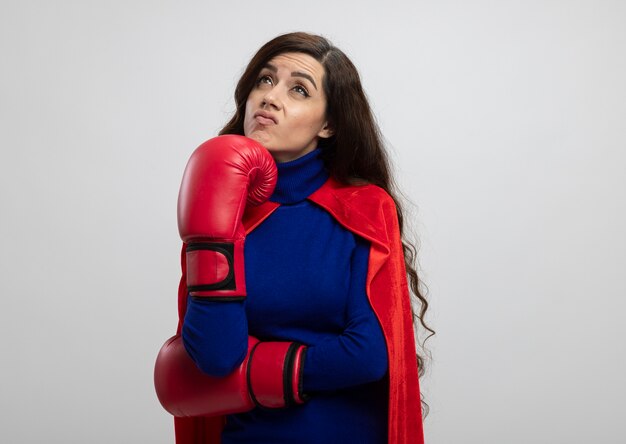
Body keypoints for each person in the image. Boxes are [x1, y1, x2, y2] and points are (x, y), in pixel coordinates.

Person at [155, 31, 433, 444]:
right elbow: (214, 356)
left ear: (328, 124)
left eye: (298, 89)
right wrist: (216, 230)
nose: (270, 97)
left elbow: (368, 355)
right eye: (265, 80)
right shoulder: (224, 213)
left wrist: (254, 370)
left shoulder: (363, 209)